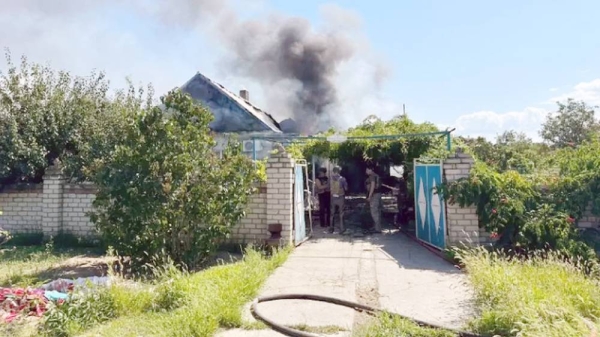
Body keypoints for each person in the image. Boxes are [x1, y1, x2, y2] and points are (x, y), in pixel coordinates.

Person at [329, 167, 348, 234]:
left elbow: (329, 188)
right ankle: (342, 229)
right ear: (339, 171)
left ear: (333, 171)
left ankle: (331, 229)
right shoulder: (343, 179)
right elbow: (346, 188)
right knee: (341, 213)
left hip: (333, 198)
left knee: (332, 214)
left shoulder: (330, 179)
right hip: (340, 197)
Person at [366, 165, 383, 233]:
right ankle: (376, 227)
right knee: (378, 211)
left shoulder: (372, 176)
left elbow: (372, 186)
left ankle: (378, 229)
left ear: (370, 170)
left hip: (374, 195)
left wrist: (369, 196)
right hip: (378, 194)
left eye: (367, 170)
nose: (366, 171)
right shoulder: (376, 175)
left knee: (374, 211)